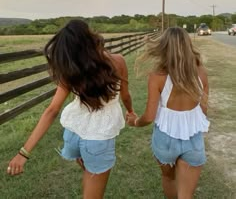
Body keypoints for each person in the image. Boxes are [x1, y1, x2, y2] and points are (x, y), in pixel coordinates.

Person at [7, 19, 134, 199]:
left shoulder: (72, 71)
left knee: (89, 176)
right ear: (90, 37)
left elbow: (52, 110)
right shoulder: (117, 61)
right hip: (98, 138)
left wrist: (24, 152)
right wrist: (130, 111)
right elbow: (126, 96)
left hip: (73, 134)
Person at [127, 27, 210, 199]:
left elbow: (149, 117)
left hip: (165, 139)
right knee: (185, 195)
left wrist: (134, 121)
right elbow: (203, 111)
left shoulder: (157, 76)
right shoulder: (201, 73)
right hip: (193, 138)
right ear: (188, 45)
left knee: (168, 177)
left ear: (164, 47)